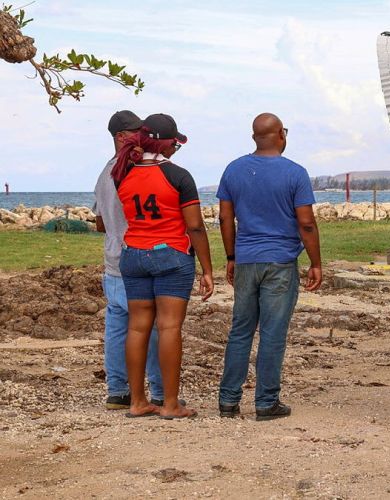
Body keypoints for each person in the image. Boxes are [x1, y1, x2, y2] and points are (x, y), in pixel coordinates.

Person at [217, 113, 322, 421]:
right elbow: (306, 222)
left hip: (247, 259)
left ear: (254, 138)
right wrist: (315, 262)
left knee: (241, 330)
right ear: (280, 135)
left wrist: (231, 257)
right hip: (280, 261)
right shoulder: (295, 173)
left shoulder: (234, 170)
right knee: (273, 332)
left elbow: (226, 218)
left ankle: (228, 400)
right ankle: (265, 401)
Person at [113, 113, 214, 419]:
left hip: (133, 255)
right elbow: (195, 227)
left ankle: (137, 401)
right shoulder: (179, 176)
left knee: (137, 327)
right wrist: (208, 269)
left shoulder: (122, 172)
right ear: (168, 144)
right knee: (169, 327)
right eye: (175, 144)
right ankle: (170, 404)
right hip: (171, 254)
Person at [94, 110, 164, 410]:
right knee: (151, 326)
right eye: (137, 132)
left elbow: (99, 222)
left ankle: (117, 391)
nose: (143, 137)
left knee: (117, 326)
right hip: (136, 255)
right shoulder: (133, 168)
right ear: (121, 137)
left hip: (113, 257)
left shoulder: (104, 172)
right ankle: (160, 391)